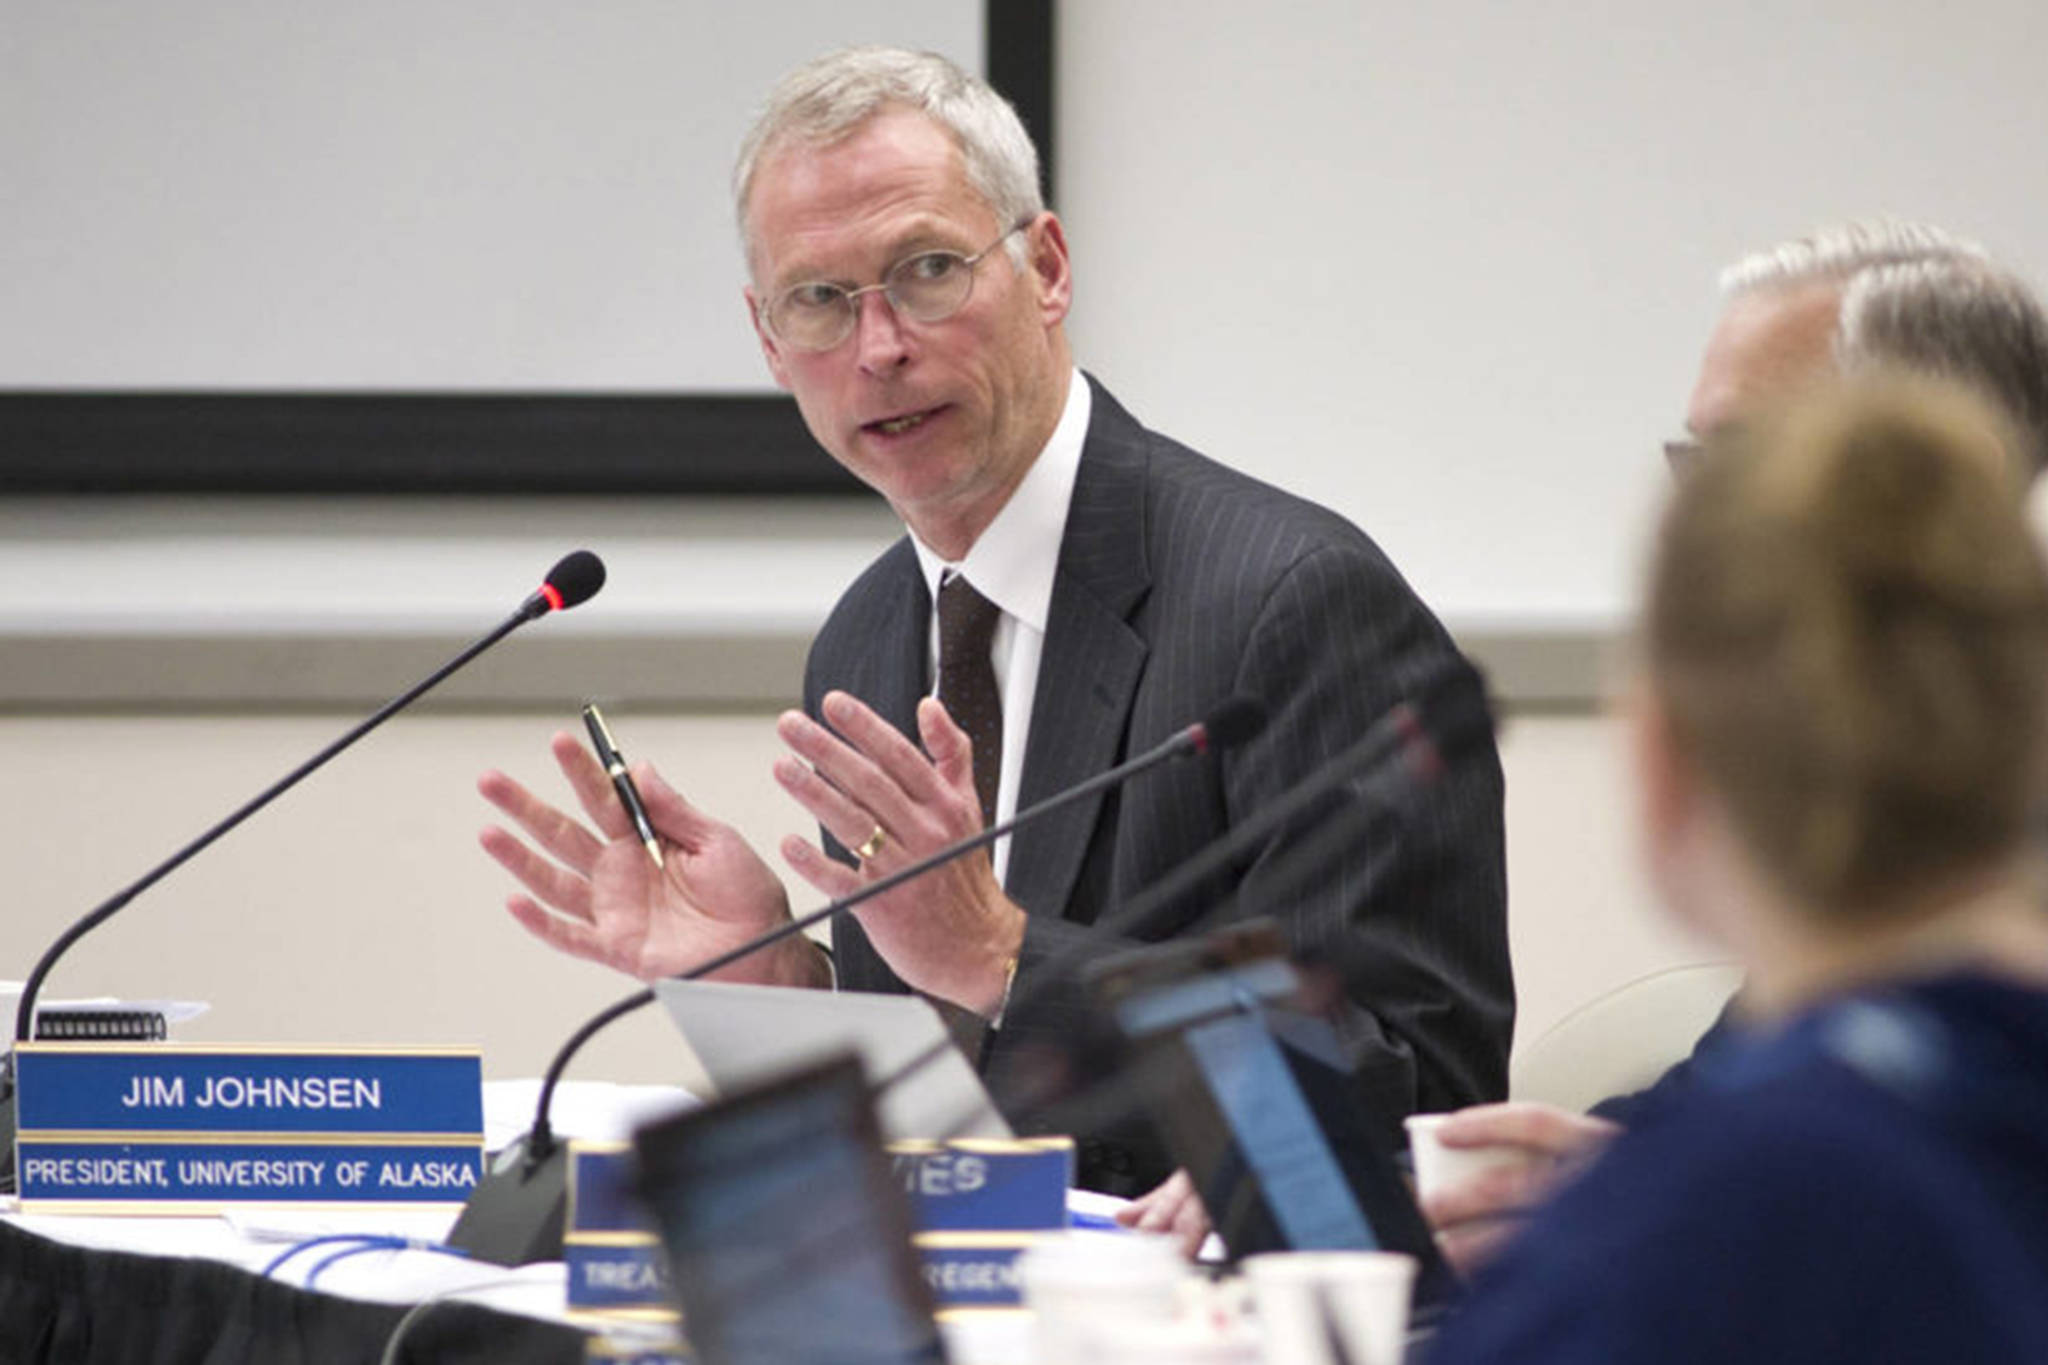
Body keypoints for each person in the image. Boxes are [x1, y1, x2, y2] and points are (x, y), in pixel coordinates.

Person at [477, 47, 1512, 1195]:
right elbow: (956, 1131)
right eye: (818, 300)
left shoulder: (1290, 603)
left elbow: (1423, 1107)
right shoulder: (868, 635)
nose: (877, 348)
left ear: (1047, 267)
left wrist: (1005, 954)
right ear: (768, 342)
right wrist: (779, 989)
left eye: (925, 270)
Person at [1421, 220, 2048, 1274]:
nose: (1681, 524)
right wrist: (1599, 1173)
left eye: (1736, 465)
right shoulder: (1863, 864)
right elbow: (1738, 1090)